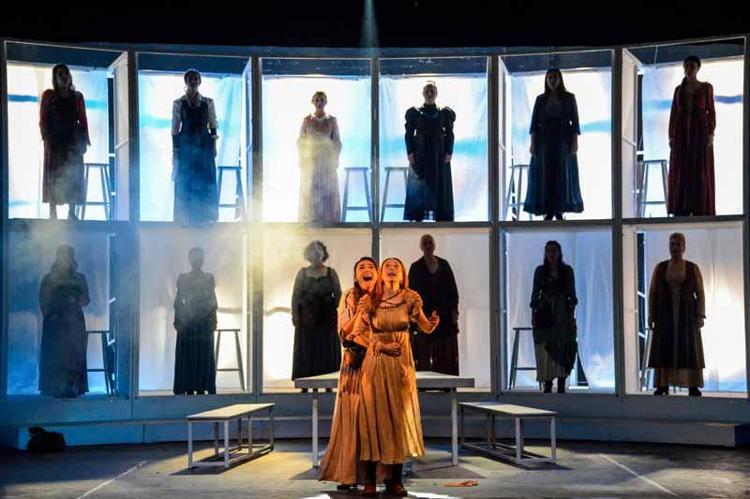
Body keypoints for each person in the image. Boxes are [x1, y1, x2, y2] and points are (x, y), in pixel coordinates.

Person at [351, 258, 439, 497]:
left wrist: (432, 324)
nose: (391, 268)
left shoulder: (410, 298)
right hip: (376, 364)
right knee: (373, 419)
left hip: (401, 365)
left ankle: (395, 479)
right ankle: (370, 480)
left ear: (402, 274)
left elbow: (424, 327)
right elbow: (356, 334)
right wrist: (380, 346)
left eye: (396, 266)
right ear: (381, 273)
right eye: (387, 266)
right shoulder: (370, 300)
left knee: (398, 419)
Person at [319, 257, 378, 490]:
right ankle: (349, 473)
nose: (366, 270)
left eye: (371, 267)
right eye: (361, 268)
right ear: (355, 276)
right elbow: (344, 333)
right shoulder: (348, 296)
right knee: (352, 417)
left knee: (376, 419)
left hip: (379, 365)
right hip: (355, 364)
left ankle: (379, 475)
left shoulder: (385, 297)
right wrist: (360, 312)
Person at [648, 233, 706, 396]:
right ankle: (663, 384)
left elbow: (700, 292)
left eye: (678, 244)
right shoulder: (660, 268)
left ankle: (692, 384)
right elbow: (653, 293)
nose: (675, 247)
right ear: (669, 246)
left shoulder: (692, 268)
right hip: (665, 315)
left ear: (684, 247)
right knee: (664, 347)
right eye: (672, 244)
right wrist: (651, 315)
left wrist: (700, 315)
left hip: (687, 316)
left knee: (689, 348)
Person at [524, 68, 583, 220]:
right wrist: (533, 143)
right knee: (546, 174)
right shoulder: (540, 99)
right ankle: (548, 210)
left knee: (561, 174)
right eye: (549, 78)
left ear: (560, 79)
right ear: (546, 80)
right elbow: (534, 123)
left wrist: (575, 142)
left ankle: (560, 209)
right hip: (544, 142)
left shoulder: (569, 98)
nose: (552, 80)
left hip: (563, 141)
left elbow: (575, 122)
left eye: (555, 77)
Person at [39, 64, 90, 220]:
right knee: (55, 175)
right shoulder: (49, 96)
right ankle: (52, 212)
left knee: (73, 175)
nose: (64, 77)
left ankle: (71, 212)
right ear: (55, 78)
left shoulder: (77, 97)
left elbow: (83, 120)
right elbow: (44, 119)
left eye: (66, 73)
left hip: (72, 142)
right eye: (60, 74)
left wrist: (84, 140)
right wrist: (47, 138)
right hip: (55, 142)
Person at [38, 245, 90, 398]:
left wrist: (73, 301)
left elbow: (86, 299)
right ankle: (54, 386)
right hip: (55, 323)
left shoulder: (79, 278)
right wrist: (53, 316)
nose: (65, 260)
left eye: (68, 256)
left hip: (74, 321)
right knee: (55, 355)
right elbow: (43, 301)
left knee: (74, 355)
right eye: (62, 256)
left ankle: (72, 386)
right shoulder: (49, 279)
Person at [667, 55, 716, 216]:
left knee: (699, 165)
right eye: (686, 66)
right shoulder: (679, 90)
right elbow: (674, 113)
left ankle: (700, 205)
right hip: (682, 133)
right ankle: (682, 206)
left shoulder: (706, 88)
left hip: (699, 132)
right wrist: (671, 136)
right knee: (682, 167)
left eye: (692, 66)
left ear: (697, 68)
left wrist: (711, 133)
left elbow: (711, 111)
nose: (689, 69)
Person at [530, 241, 578, 393]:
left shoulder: (567, 271)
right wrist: (533, 315)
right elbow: (534, 294)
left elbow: (572, 296)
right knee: (546, 347)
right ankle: (548, 382)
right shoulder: (540, 271)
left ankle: (562, 382)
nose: (551, 254)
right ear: (545, 253)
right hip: (545, 312)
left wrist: (570, 317)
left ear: (559, 253)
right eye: (549, 251)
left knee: (563, 347)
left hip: (562, 313)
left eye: (554, 251)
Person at [403, 81, 456, 222]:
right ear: (422, 93)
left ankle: (442, 216)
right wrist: (410, 152)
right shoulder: (414, 112)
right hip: (420, 153)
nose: (429, 93)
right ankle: (416, 215)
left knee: (440, 183)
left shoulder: (444, 113)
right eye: (427, 90)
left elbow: (450, 133)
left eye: (432, 90)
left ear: (436, 93)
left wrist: (449, 151)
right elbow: (408, 133)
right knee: (419, 183)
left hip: (439, 154)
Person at [291, 241, 342, 384]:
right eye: (313, 250)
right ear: (308, 254)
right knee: (307, 350)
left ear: (323, 253)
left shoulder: (331, 273)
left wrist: (338, 314)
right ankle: (305, 383)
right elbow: (296, 296)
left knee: (326, 349)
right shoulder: (302, 273)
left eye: (319, 249)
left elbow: (338, 296)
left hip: (327, 318)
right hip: (307, 318)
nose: (316, 252)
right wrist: (295, 315)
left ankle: (328, 382)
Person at [172, 69, 219, 223]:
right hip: (186, 146)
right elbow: (175, 128)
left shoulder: (208, 102)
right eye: (190, 78)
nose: (193, 81)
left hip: (203, 145)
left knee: (205, 179)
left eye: (196, 78)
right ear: (186, 81)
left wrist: (213, 146)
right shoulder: (179, 103)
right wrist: (176, 150)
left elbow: (213, 124)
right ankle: (185, 216)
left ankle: (206, 216)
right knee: (186, 179)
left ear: (199, 81)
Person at [408, 234, 460, 375]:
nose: (428, 245)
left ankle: (447, 381)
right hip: (423, 316)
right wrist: (414, 316)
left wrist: (454, 311)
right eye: (425, 243)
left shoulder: (444, 264)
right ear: (421, 247)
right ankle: (425, 382)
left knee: (446, 352)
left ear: (434, 245)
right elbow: (410, 293)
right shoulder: (416, 267)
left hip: (444, 316)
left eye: (430, 242)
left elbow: (453, 290)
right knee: (423, 352)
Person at [173, 247, 218, 395]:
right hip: (189, 324)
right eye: (195, 258)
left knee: (202, 356)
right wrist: (178, 320)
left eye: (199, 257)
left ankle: (201, 386)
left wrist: (213, 320)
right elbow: (179, 301)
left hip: (202, 324)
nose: (197, 261)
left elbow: (212, 301)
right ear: (190, 259)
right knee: (189, 357)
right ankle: (189, 386)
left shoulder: (208, 278)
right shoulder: (184, 279)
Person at [298, 91, 342, 223]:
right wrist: (302, 158)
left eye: (322, 100)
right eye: (317, 100)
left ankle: (329, 220)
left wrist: (334, 158)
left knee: (327, 189)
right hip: (311, 161)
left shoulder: (332, 120)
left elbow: (337, 141)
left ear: (326, 102)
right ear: (313, 102)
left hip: (326, 161)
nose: (319, 103)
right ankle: (310, 219)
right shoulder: (307, 120)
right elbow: (301, 141)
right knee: (311, 189)